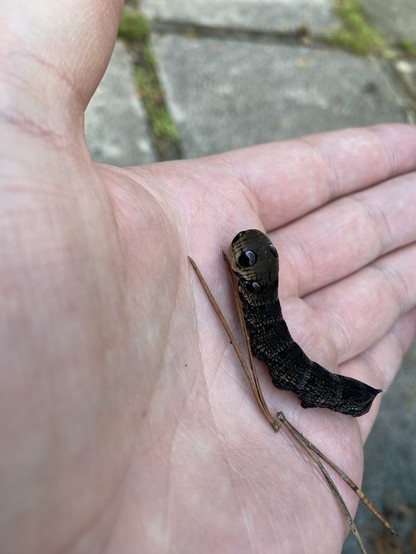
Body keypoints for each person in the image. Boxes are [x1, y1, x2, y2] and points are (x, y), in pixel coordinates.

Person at [2, 1, 416, 552]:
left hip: (315, 385)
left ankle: (347, 394)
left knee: (301, 366)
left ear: (250, 283)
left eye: (245, 267)